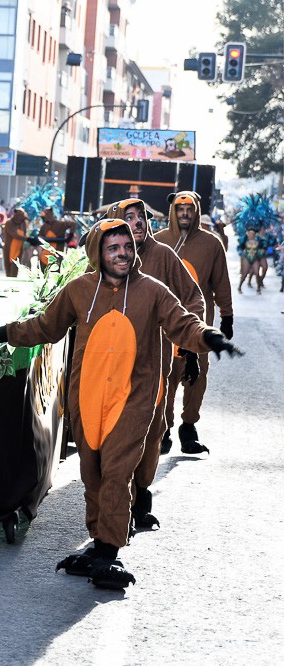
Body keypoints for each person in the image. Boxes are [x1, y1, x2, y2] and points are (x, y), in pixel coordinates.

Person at [0, 219, 240, 589]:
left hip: (133, 400)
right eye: (114, 248)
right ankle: (98, 544)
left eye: (128, 246)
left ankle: (110, 552)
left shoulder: (152, 291)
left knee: (116, 473)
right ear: (99, 253)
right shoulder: (79, 290)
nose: (124, 254)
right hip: (88, 397)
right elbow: (45, 326)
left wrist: (209, 336)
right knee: (91, 474)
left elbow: (182, 323)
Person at [106, 199, 204, 532]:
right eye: (129, 217)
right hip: (112, 366)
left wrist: (190, 350)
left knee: (152, 431)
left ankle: (140, 500)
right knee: (117, 436)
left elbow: (193, 299)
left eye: (141, 217)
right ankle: (115, 508)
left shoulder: (163, 255)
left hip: (155, 363)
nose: (137, 223)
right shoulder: (105, 254)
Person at [154, 191, 233, 454]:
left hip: (199, 323)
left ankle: (188, 426)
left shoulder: (211, 244)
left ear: (196, 211)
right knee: (165, 375)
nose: (184, 213)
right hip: (165, 325)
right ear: (173, 211)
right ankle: (162, 427)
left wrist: (227, 316)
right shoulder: (159, 242)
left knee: (196, 374)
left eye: (189, 209)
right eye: (180, 209)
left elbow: (221, 283)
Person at [2, 209, 29, 277]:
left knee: (15, 267)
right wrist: (28, 239)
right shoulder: (9, 223)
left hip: (19, 248)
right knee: (8, 268)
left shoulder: (23, 224)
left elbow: (24, 234)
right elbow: (14, 235)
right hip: (9, 248)